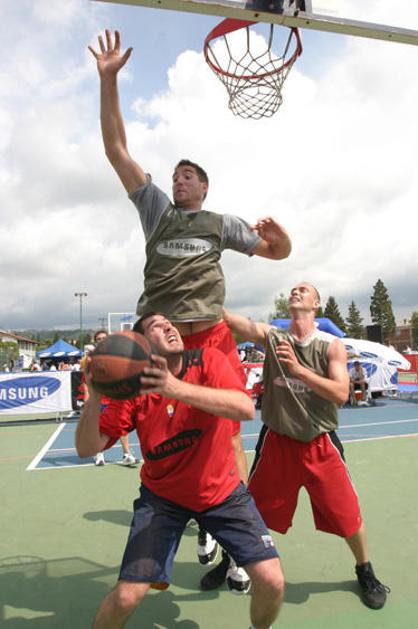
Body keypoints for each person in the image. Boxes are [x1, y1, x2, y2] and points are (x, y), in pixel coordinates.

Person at [89, 28, 292, 589]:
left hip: (211, 338)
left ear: (203, 187)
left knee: (228, 433)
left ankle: (233, 543)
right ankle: (177, 513)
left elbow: (277, 253)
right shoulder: (156, 209)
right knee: (155, 429)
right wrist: (108, 81)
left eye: (188, 176)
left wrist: (283, 241)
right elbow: (116, 151)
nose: (178, 180)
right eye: (175, 175)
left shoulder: (220, 223)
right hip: (160, 338)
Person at [75, 313, 284, 629]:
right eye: (156, 326)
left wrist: (174, 388)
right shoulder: (135, 388)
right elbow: (87, 447)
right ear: (143, 346)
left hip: (222, 492)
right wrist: (94, 398)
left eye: (168, 322)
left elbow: (244, 408)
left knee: (272, 581)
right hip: (162, 500)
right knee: (127, 597)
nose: (168, 326)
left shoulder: (208, 359)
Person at [221, 282, 389, 611]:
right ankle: (233, 561)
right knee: (251, 511)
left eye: (304, 290)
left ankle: (364, 569)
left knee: (347, 516)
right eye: (293, 289)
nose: (296, 291)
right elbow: (232, 321)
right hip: (278, 441)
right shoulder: (273, 336)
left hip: (319, 442)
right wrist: (202, 292)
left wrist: (299, 370)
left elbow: (340, 393)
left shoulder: (330, 345)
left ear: (316, 304)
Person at [87, 330, 138, 467]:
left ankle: (126, 454)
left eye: (104, 338)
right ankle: (99, 454)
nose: (102, 340)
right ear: (96, 342)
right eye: (99, 339)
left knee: (122, 426)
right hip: (101, 399)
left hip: (116, 398)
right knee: (102, 430)